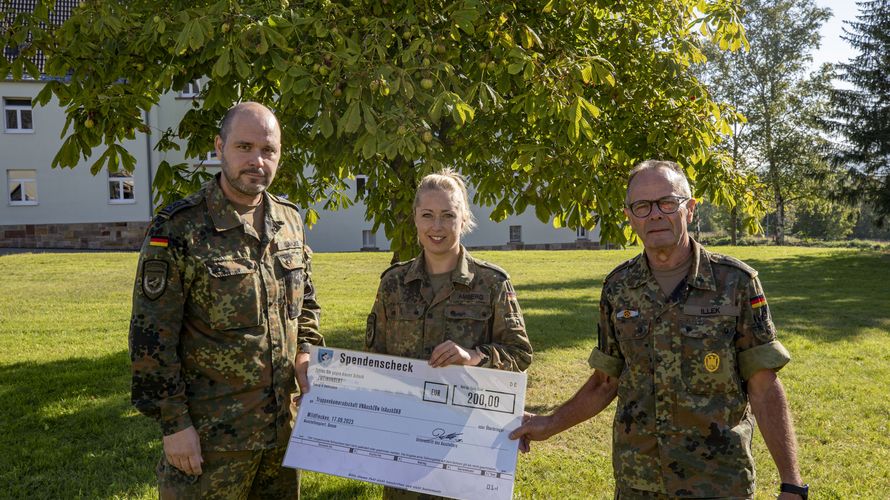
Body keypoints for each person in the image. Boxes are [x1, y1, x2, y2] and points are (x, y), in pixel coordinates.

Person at [509, 160, 808, 499]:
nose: (654, 214)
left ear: (690, 209)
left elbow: (763, 384)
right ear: (629, 217)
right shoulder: (618, 288)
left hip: (717, 482)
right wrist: (548, 424)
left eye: (667, 202)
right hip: (639, 481)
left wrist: (791, 483)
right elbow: (606, 381)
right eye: (642, 206)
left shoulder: (736, 283)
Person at [128, 102, 323, 498]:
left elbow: (305, 308)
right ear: (219, 147)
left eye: (268, 150)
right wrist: (174, 425)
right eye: (244, 147)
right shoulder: (179, 228)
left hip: (280, 435)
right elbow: (151, 338)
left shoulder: (290, 221)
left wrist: (306, 352)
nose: (257, 160)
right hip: (210, 440)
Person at [366, 168, 533, 499]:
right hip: (405, 445)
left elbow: (520, 354)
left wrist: (474, 357)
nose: (437, 226)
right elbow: (374, 363)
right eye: (427, 215)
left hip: (468, 445)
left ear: (464, 219)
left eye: (448, 215)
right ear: (414, 219)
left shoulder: (492, 284)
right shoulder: (393, 285)